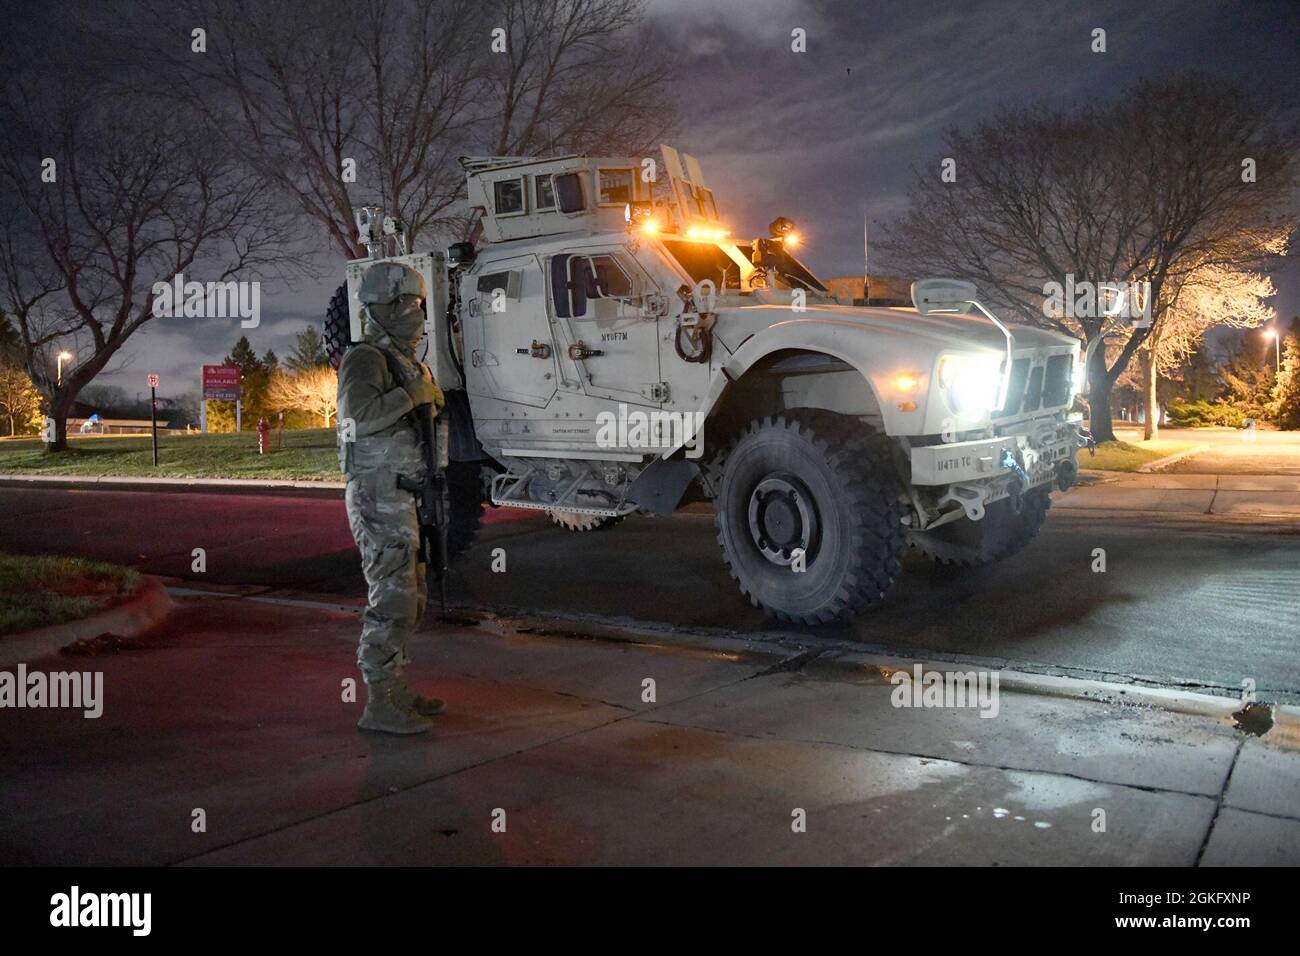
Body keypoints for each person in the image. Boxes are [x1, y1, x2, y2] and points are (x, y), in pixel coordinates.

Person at [336, 261, 446, 735]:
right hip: (378, 495)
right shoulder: (365, 359)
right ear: (384, 308)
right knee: (391, 599)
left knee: (411, 597)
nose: (417, 315)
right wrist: (413, 396)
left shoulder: (407, 362)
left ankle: (393, 686)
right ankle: (378, 701)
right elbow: (354, 419)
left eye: (419, 306)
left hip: (404, 495)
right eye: (408, 305)